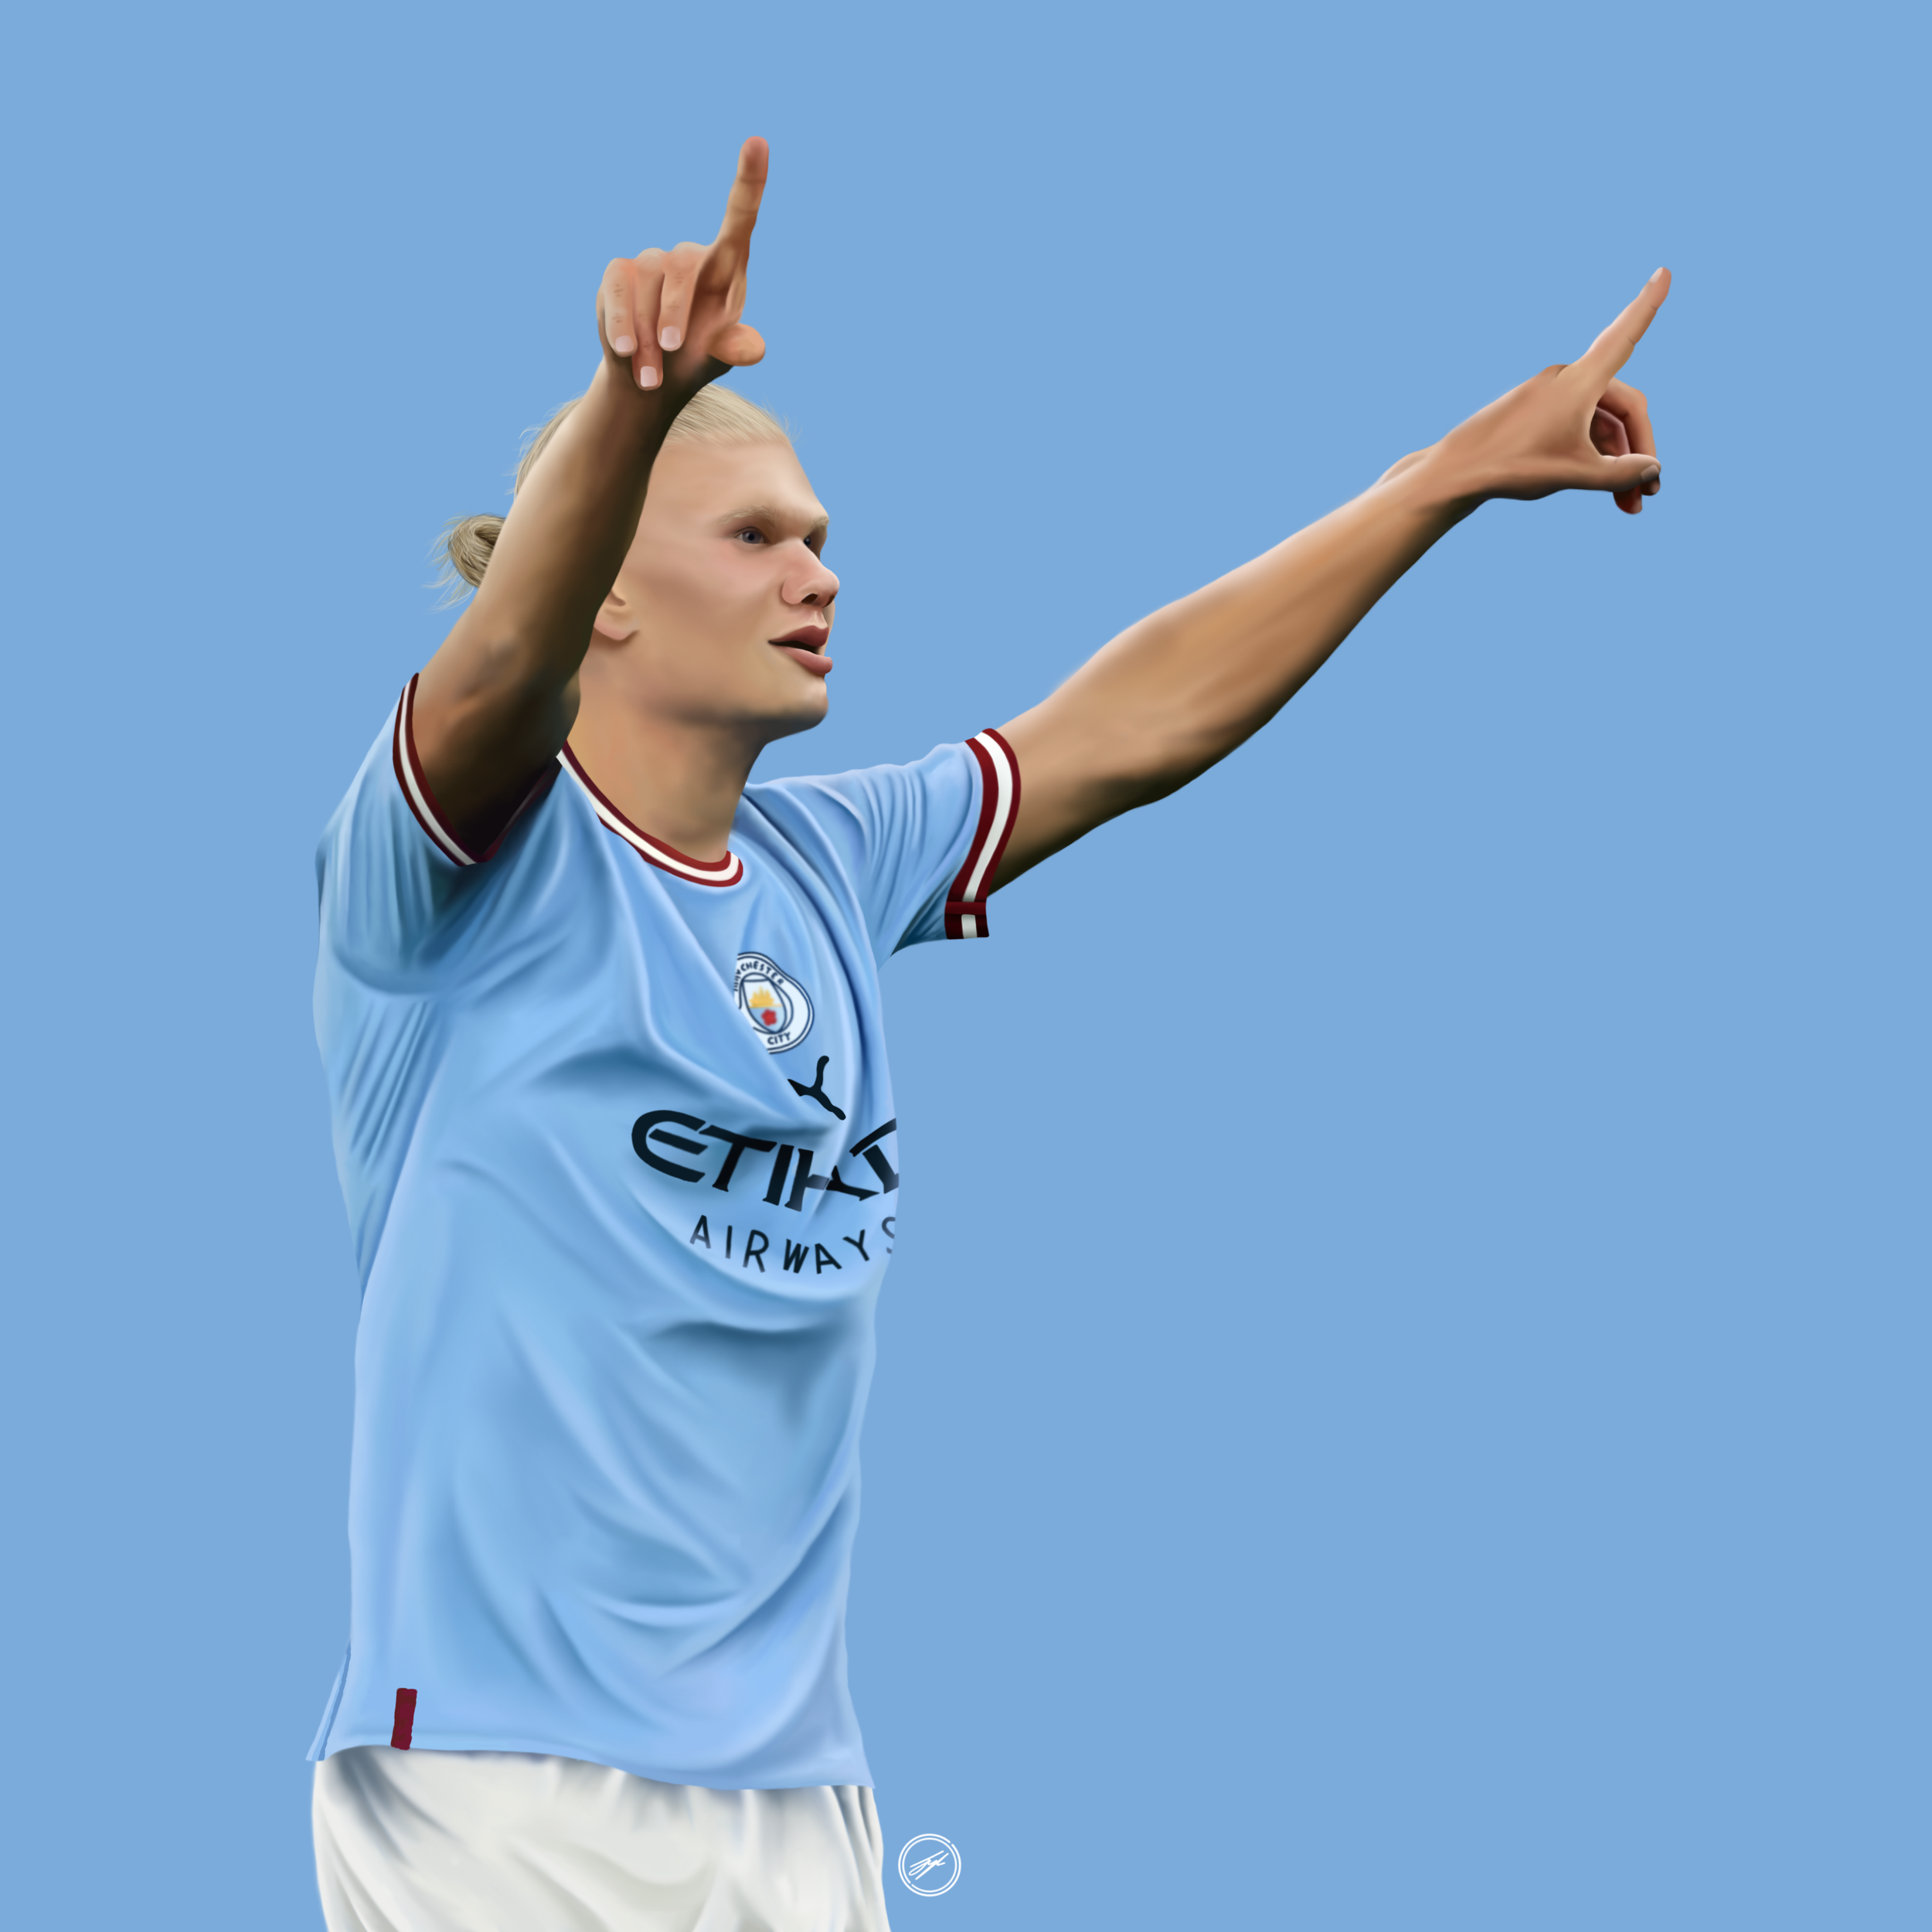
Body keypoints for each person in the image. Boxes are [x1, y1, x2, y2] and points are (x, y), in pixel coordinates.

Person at [306, 136, 1667, 1930]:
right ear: (606, 593)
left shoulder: (827, 860)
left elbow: (1127, 718)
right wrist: (632, 406)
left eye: (821, 538)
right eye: (754, 536)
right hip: (497, 1783)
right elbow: (491, 676)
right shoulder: (450, 882)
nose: (817, 574)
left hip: (800, 1802)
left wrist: (1440, 479)